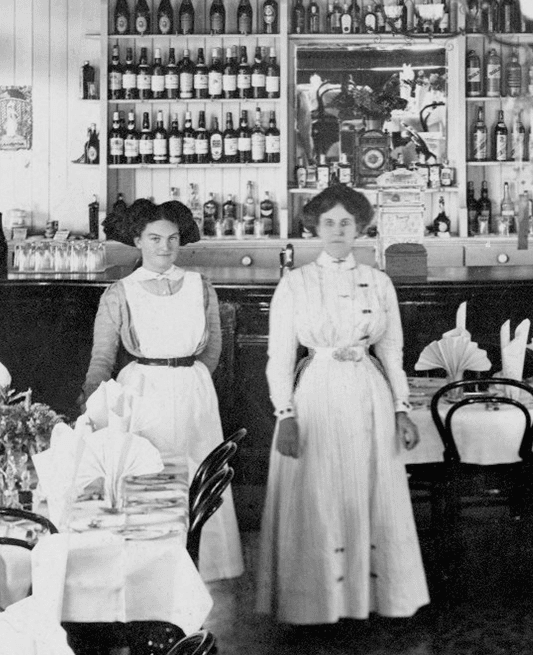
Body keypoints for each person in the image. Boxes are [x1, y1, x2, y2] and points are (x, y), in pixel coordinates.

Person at [257, 184, 428, 624]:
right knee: (320, 489)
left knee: (369, 488)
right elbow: (279, 358)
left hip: (368, 394)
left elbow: (392, 353)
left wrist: (402, 408)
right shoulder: (295, 283)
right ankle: (316, 605)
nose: (337, 230)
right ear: (314, 227)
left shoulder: (380, 282)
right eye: (329, 222)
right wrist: (285, 415)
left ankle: (372, 601)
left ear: (360, 228)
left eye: (346, 223)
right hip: (317, 394)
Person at [80, 198, 242, 580]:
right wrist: (92, 406)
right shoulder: (119, 292)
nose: (164, 247)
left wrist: (188, 378)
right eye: (154, 238)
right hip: (142, 394)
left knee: (197, 471)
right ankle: (149, 573)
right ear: (137, 241)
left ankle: (205, 567)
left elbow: (213, 348)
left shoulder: (200, 286)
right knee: (149, 475)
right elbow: (102, 359)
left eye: (171, 238)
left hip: (193, 392)